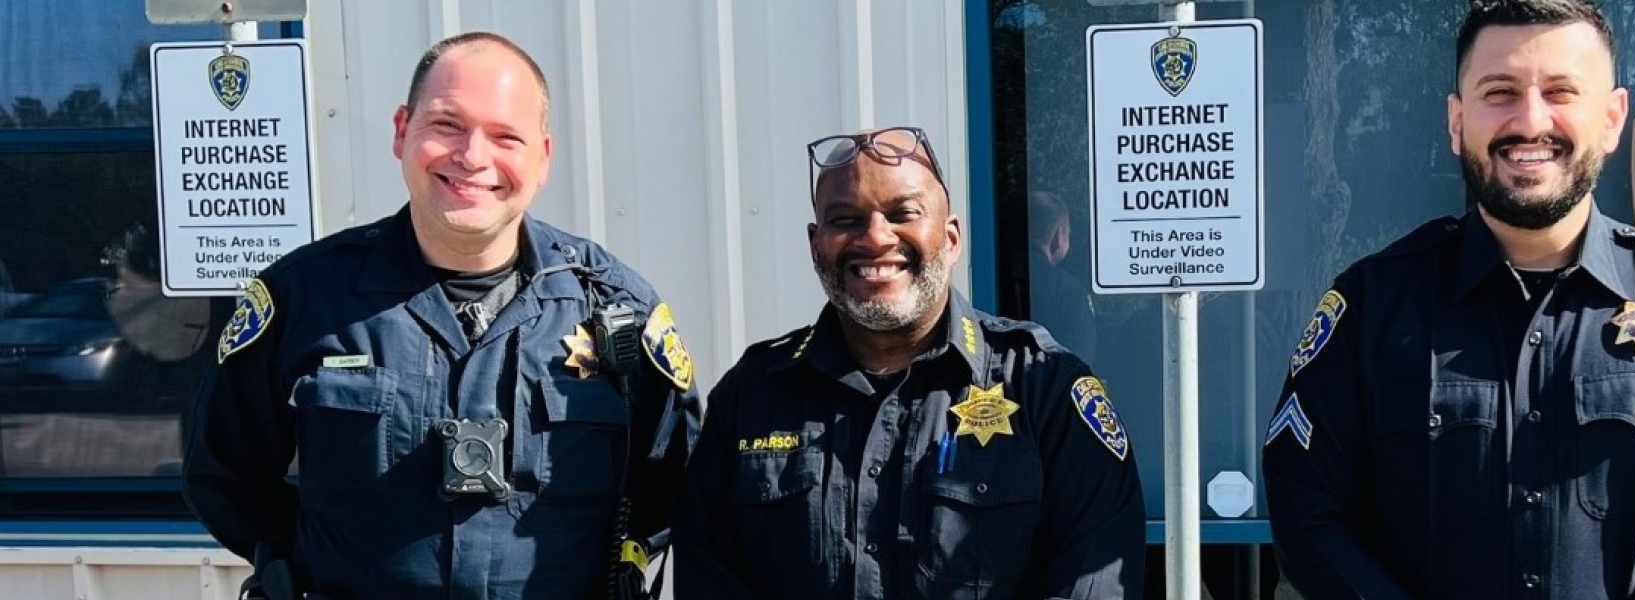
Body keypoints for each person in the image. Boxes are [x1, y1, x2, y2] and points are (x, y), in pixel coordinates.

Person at [1260, 2, 1635, 599]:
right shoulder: (1371, 307)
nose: (1530, 121)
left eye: (1561, 91)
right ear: (1457, 123)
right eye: (1499, 92)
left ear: (1612, 118)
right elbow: (1308, 513)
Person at [182, 31, 700, 600]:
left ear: (543, 157)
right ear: (402, 130)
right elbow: (226, 475)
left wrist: (623, 559)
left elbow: (675, 474)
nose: (474, 157)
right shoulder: (304, 299)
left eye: (507, 136)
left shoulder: (615, 308)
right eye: (448, 125)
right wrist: (295, 559)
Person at [672, 126, 1145, 599]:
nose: (875, 238)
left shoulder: (1045, 391)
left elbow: (1092, 585)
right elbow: (709, 578)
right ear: (816, 245)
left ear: (952, 238)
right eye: (845, 219)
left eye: (903, 214)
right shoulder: (750, 397)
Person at [1026, 190, 1099, 367]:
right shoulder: (1068, 290)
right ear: (1058, 238)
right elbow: (1080, 360)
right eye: (1068, 234)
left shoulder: (1000, 278)